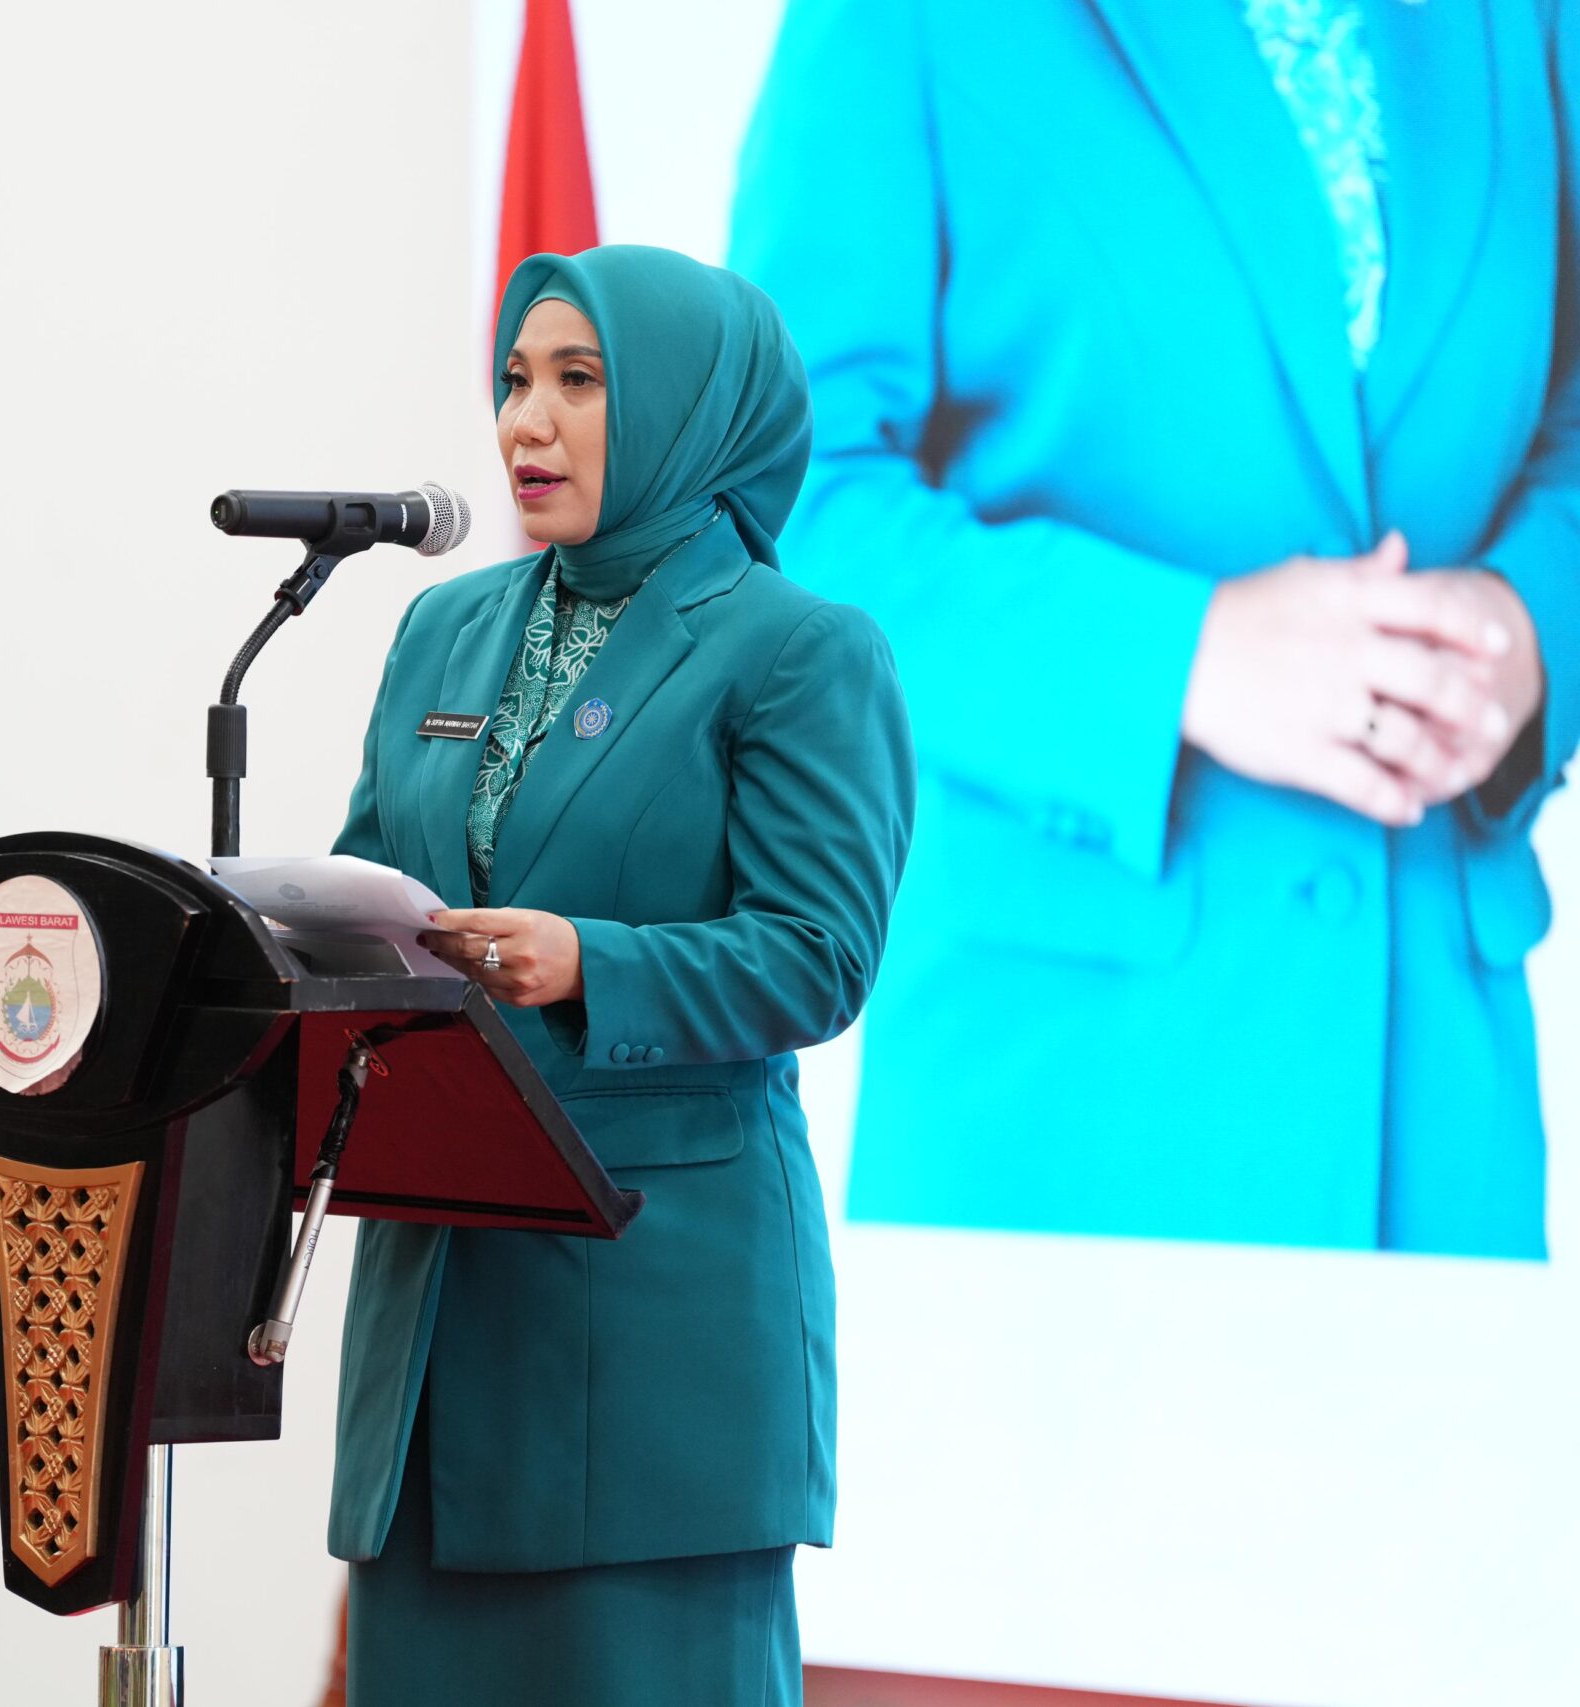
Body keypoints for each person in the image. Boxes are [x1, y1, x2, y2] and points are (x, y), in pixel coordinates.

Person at [730, 0, 1576, 1258]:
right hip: (1067, 1112)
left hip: (1442, 1115)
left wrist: (1530, 626)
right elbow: (782, 499)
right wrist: (1182, 657)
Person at [325, 244, 915, 1705]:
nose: (525, 422)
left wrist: (589, 961)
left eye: (579, 382)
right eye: (515, 379)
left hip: (657, 1323)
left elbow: (820, 953)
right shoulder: (442, 627)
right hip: (441, 1307)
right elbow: (368, 879)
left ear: (688, 404)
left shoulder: (798, 650)